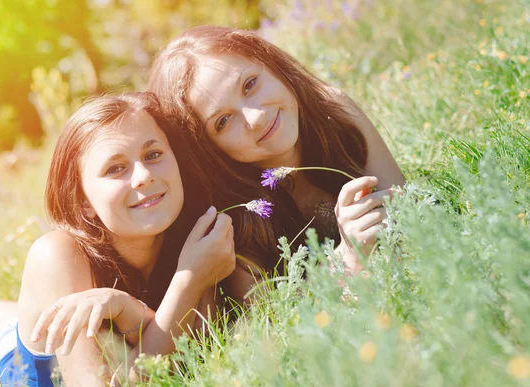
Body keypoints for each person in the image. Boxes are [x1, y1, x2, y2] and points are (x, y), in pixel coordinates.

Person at [0, 92, 236, 387]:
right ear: (83, 202)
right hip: (2, 369)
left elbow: (196, 353)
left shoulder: (194, 237)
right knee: (3, 337)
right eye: (115, 168)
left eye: (153, 155)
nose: (144, 176)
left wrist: (127, 308)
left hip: (46, 324)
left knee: (31, 319)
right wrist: (189, 281)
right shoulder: (56, 255)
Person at [146, 25, 405, 297]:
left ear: (270, 64)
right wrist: (347, 258)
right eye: (223, 121)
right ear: (209, 151)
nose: (255, 118)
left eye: (250, 84)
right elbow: (276, 322)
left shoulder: (336, 114)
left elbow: (407, 211)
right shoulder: (230, 221)